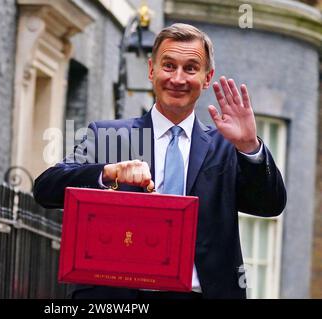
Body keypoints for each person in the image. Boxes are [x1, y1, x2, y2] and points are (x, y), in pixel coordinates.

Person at [33, 23, 286, 299]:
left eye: (190, 68)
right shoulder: (108, 136)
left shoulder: (228, 147)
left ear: (206, 77)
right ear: (152, 70)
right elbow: (45, 189)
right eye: (169, 66)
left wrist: (250, 147)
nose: (177, 78)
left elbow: (270, 205)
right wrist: (108, 172)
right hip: (119, 298)